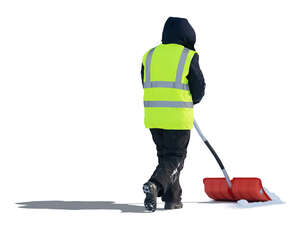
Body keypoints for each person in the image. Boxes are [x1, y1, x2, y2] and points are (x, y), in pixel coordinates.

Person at [141, 17, 206, 212]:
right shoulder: (188, 55)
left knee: (166, 158)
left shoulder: (149, 55)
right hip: (177, 118)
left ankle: (172, 199)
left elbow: (145, 82)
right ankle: (154, 184)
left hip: (153, 116)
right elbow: (198, 88)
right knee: (175, 158)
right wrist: (189, 100)